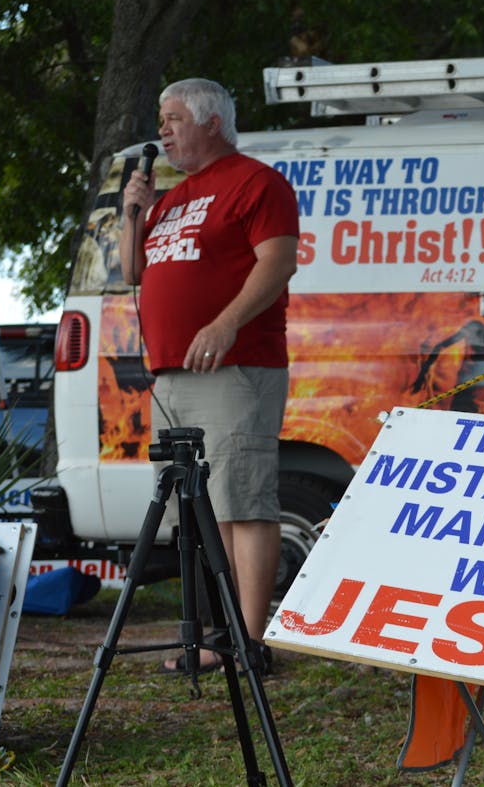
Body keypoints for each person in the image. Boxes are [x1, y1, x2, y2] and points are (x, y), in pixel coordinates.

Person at [120, 77, 299, 674]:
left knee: (243, 500)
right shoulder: (172, 198)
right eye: (161, 119)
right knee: (200, 510)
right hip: (171, 374)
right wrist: (134, 214)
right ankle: (214, 638)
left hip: (235, 367)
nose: (163, 130)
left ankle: (249, 642)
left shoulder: (255, 182)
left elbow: (278, 260)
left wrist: (225, 324)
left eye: (172, 118)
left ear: (211, 122)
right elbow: (132, 271)